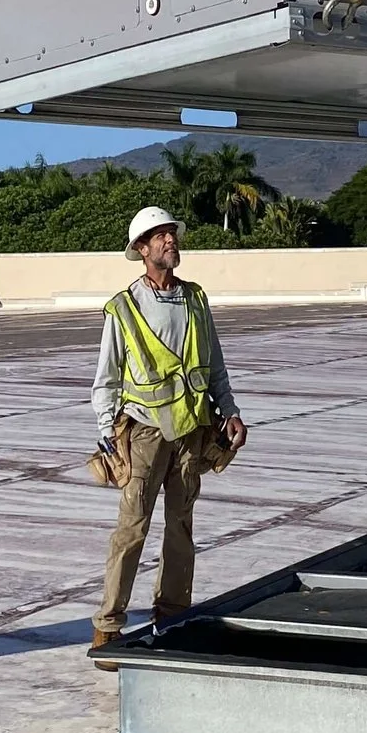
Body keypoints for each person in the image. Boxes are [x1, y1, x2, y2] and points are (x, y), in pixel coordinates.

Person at [88, 206, 247, 661]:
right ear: (142, 249)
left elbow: (214, 365)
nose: (170, 241)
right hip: (144, 433)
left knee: (181, 527)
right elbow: (106, 379)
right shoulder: (124, 307)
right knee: (132, 529)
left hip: (192, 431)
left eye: (172, 234)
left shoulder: (195, 299)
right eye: (159, 236)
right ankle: (109, 628)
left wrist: (230, 411)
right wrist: (108, 433)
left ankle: (173, 615)